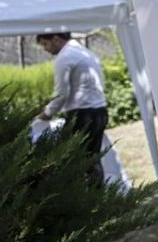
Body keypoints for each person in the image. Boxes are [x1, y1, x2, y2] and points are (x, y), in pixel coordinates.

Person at [35, 32, 107, 181]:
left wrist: (45, 114)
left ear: (56, 39)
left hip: (83, 115)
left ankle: (86, 199)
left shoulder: (65, 57)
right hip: (100, 112)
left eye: (45, 44)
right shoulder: (85, 52)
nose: (44, 49)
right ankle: (98, 198)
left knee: (74, 162)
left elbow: (62, 94)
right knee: (92, 160)